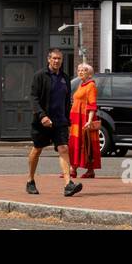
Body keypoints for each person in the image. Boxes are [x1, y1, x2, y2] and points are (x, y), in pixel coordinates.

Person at [26, 48, 80, 198]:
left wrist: (67, 120)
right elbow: (33, 98)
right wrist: (42, 116)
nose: (57, 61)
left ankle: (68, 184)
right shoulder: (40, 76)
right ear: (49, 59)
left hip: (60, 121)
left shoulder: (65, 78)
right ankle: (30, 180)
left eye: (59, 59)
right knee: (37, 149)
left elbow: (66, 100)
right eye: (54, 58)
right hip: (42, 121)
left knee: (63, 148)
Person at [67, 62, 101, 180]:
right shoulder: (81, 84)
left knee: (86, 144)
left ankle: (75, 169)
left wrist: (90, 120)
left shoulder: (91, 85)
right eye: (79, 70)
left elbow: (92, 105)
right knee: (76, 142)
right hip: (77, 119)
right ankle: (75, 169)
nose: (80, 72)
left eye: (84, 70)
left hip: (84, 119)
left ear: (90, 74)